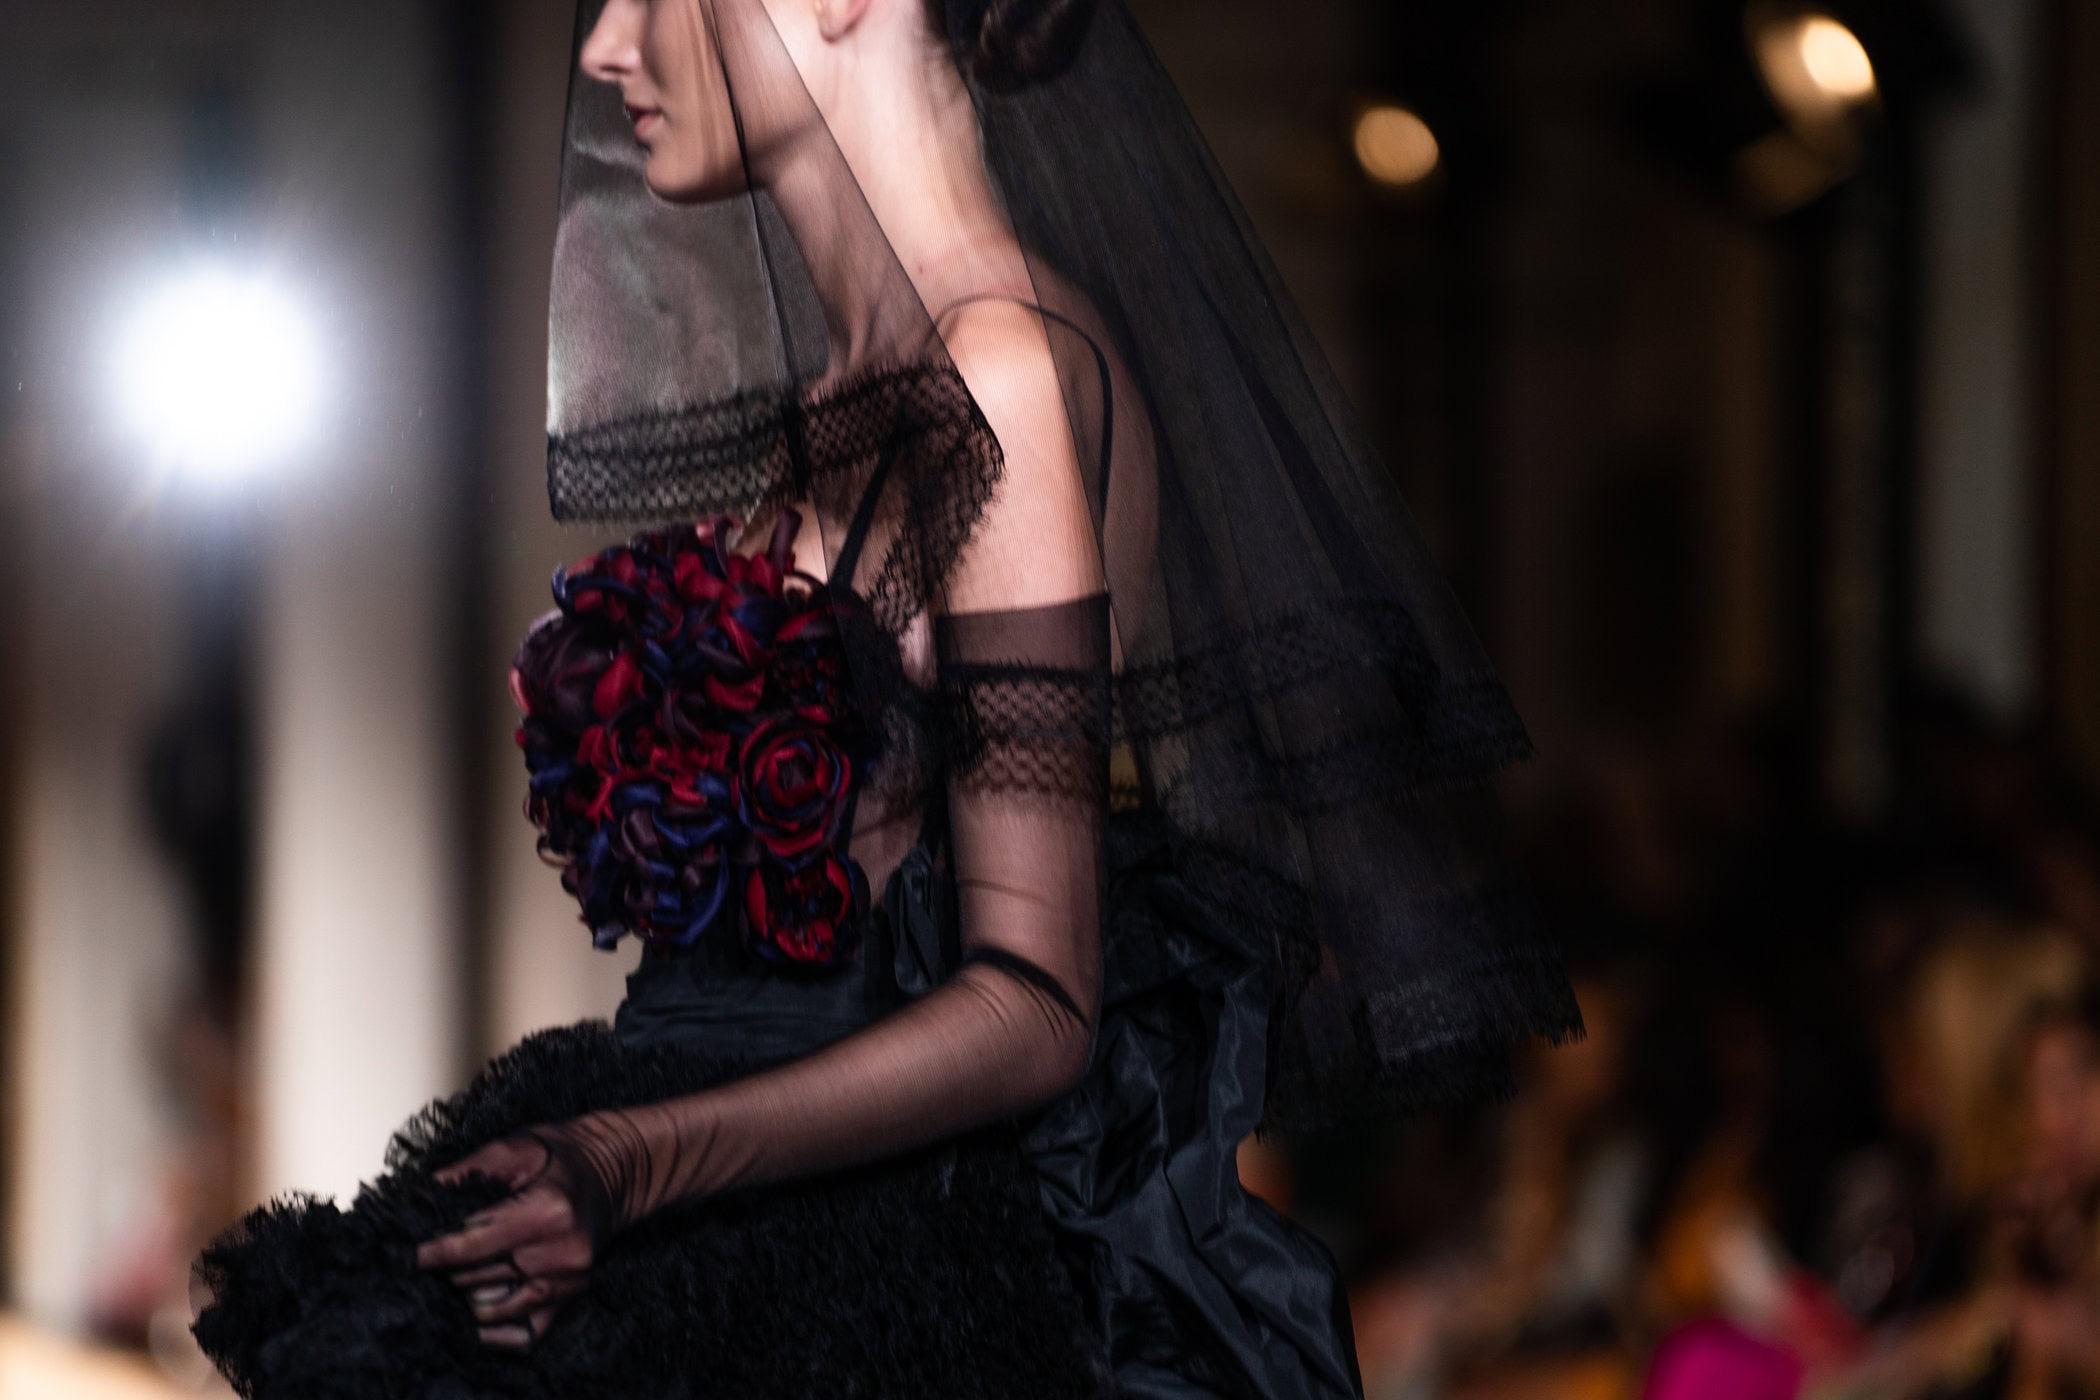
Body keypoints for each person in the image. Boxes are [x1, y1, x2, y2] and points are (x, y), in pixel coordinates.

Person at [191, 0, 1580, 1395]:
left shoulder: (1003, 375)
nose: (609, 47)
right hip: (725, 1198)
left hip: (860, 1260)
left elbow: (1038, 999)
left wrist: (631, 1158)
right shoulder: (840, 404)